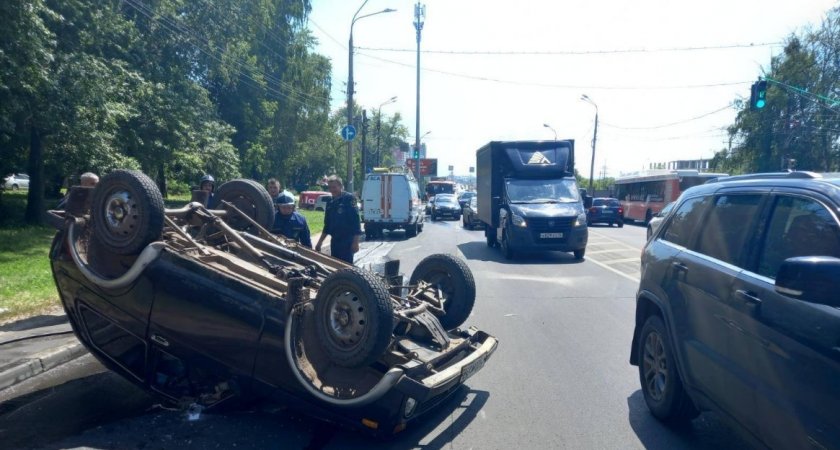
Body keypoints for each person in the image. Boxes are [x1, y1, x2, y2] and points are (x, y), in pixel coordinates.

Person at [315, 175, 362, 264]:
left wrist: (356, 242)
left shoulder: (349, 199)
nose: (332, 190)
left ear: (340, 186)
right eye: (330, 187)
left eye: (334, 187)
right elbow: (327, 225)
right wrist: (320, 242)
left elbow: (356, 222)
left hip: (347, 241)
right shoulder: (330, 202)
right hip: (335, 241)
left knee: (346, 267)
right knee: (335, 265)